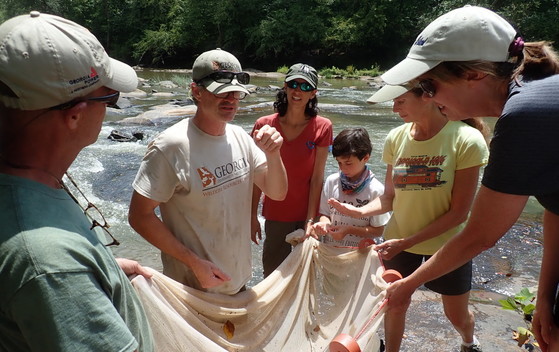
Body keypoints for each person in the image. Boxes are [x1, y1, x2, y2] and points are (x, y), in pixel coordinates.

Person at [370, 5, 559, 352]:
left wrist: (408, 285)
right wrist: (546, 296)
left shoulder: (524, 117)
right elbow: (556, 207)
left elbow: (478, 235)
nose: (428, 97)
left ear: (473, 74)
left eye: (429, 84)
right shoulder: (538, 95)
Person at [0, 12, 153, 351]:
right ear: (75, 114)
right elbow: (45, 269)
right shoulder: (49, 263)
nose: (112, 105)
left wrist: (99, 271)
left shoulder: (24, 186)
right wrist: (69, 278)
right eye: (108, 99)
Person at [329, 83, 489, 351]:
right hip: (399, 240)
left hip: (447, 245)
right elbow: (389, 197)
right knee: (394, 303)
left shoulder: (466, 140)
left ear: (427, 96)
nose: (394, 108)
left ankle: (469, 341)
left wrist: (406, 241)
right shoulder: (395, 138)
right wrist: (358, 212)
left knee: (456, 315)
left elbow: (458, 213)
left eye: (401, 101)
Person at [128, 48, 288, 295]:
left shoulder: (240, 138)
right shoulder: (171, 146)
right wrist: (194, 263)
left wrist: (274, 154)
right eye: (222, 93)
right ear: (196, 92)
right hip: (192, 287)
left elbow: (277, 193)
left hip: (238, 281)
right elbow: (139, 216)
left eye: (236, 93)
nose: (231, 99)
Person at [250, 63, 332, 277]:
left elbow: (317, 179)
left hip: (307, 214)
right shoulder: (264, 125)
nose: (298, 91)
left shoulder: (323, 127)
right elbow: (256, 177)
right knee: (273, 275)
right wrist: (251, 215)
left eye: (305, 87)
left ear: (313, 93)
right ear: (285, 87)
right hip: (277, 214)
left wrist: (310, 220)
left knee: (306, 277)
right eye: (294, 84)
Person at [310, 127, 390, 247]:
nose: (343, 168)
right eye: (339, 162)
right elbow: (325, 215)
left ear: (366, 158)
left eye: (348, 163)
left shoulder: (376, 190)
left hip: (361, 253)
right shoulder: (332, 181)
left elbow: (379, 230)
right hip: (331, 250)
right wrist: (324, 225)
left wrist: (349, 230)